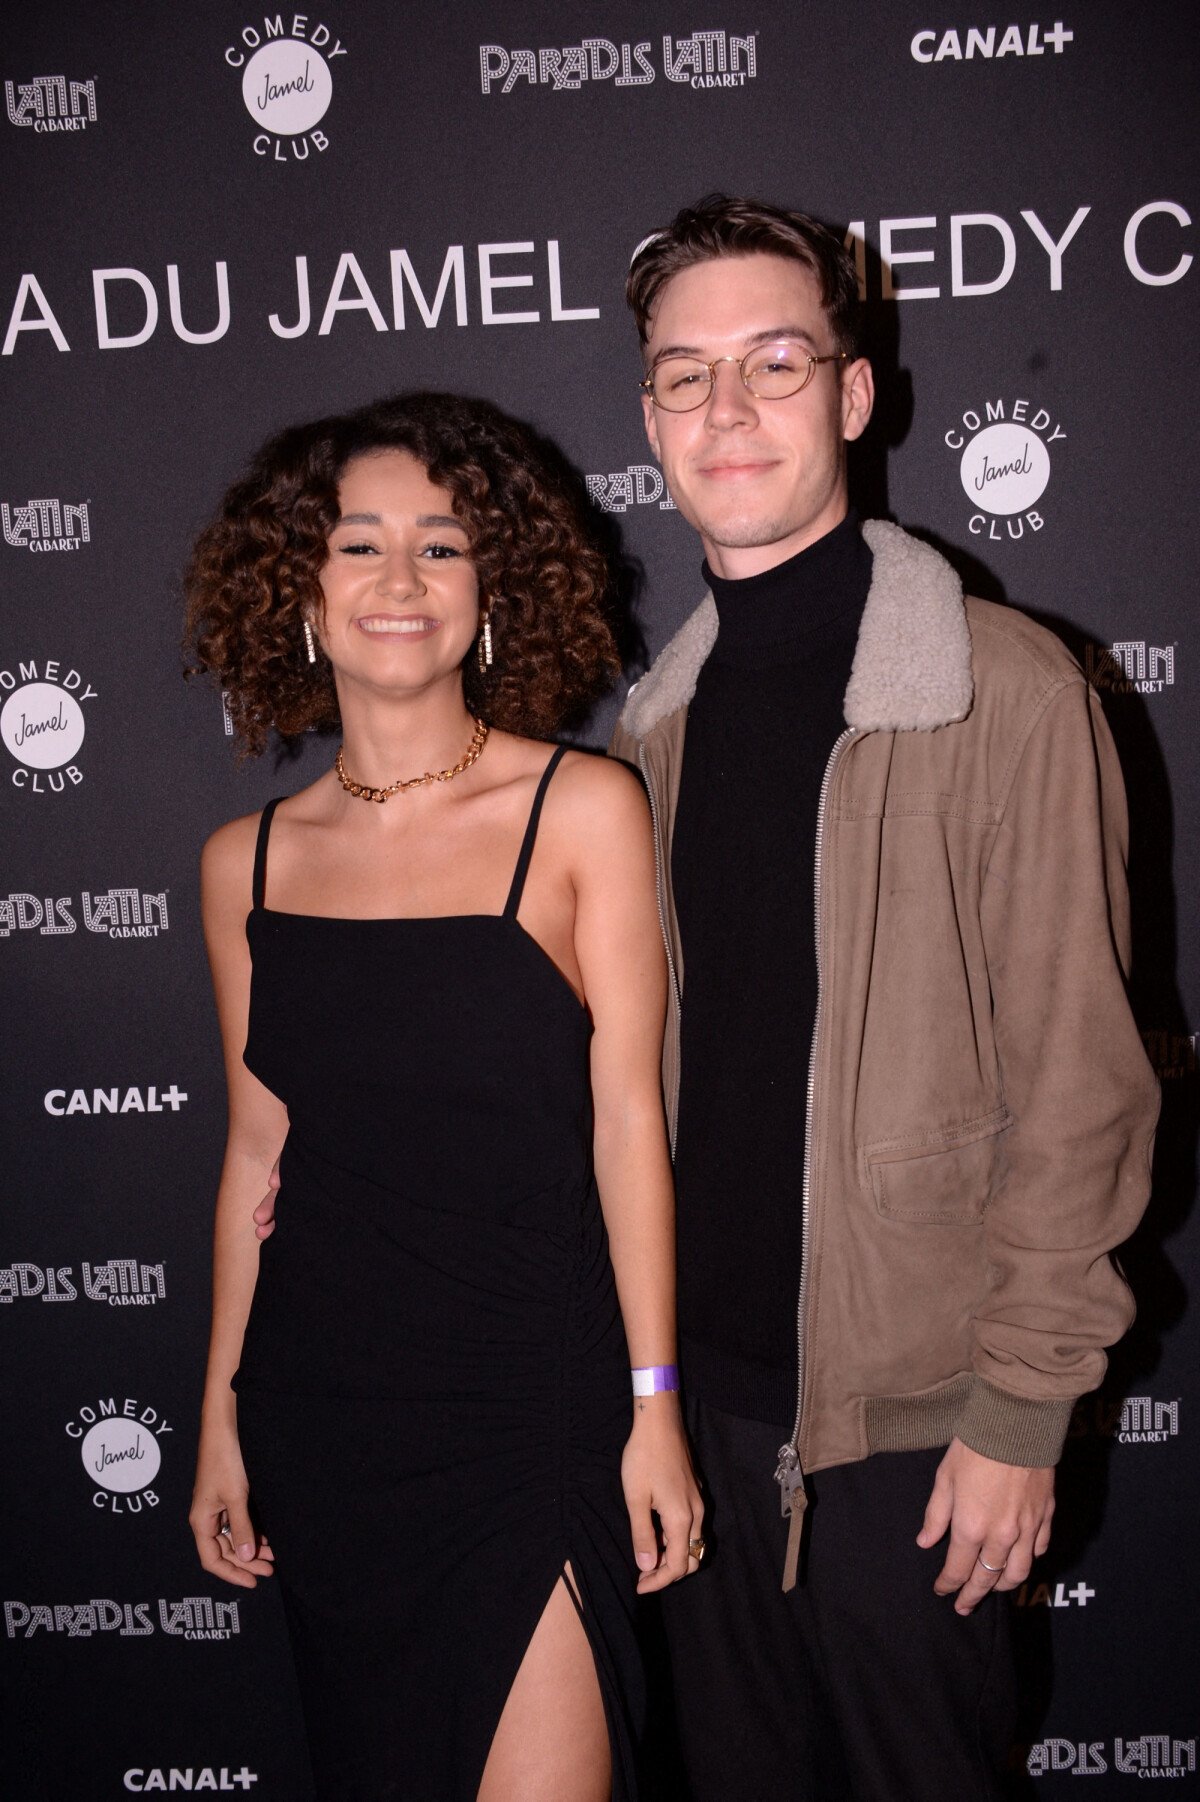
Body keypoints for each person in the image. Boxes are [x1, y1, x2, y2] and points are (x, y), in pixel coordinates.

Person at [600, 195, 1160, 1800]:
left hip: (919, 1435)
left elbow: (1084, 1081)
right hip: (694, 1427)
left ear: (855, 393)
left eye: (775, 362)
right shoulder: (651, 734)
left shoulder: (1007, 688)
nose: (728, 409)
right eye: (685, 374)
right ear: (648, 417)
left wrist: (1019, 1410)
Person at [185, 390, 702, 1802]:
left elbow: (628, 1130)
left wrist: (652, 1403)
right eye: (358, 545)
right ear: (302, 586)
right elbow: (255, 1154)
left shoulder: (582, 809)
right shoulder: (250, 861)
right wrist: (223, 1409)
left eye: (443, 546)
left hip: (530, 1410)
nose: (399, 581)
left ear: (495, 593)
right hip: (327, 1410)